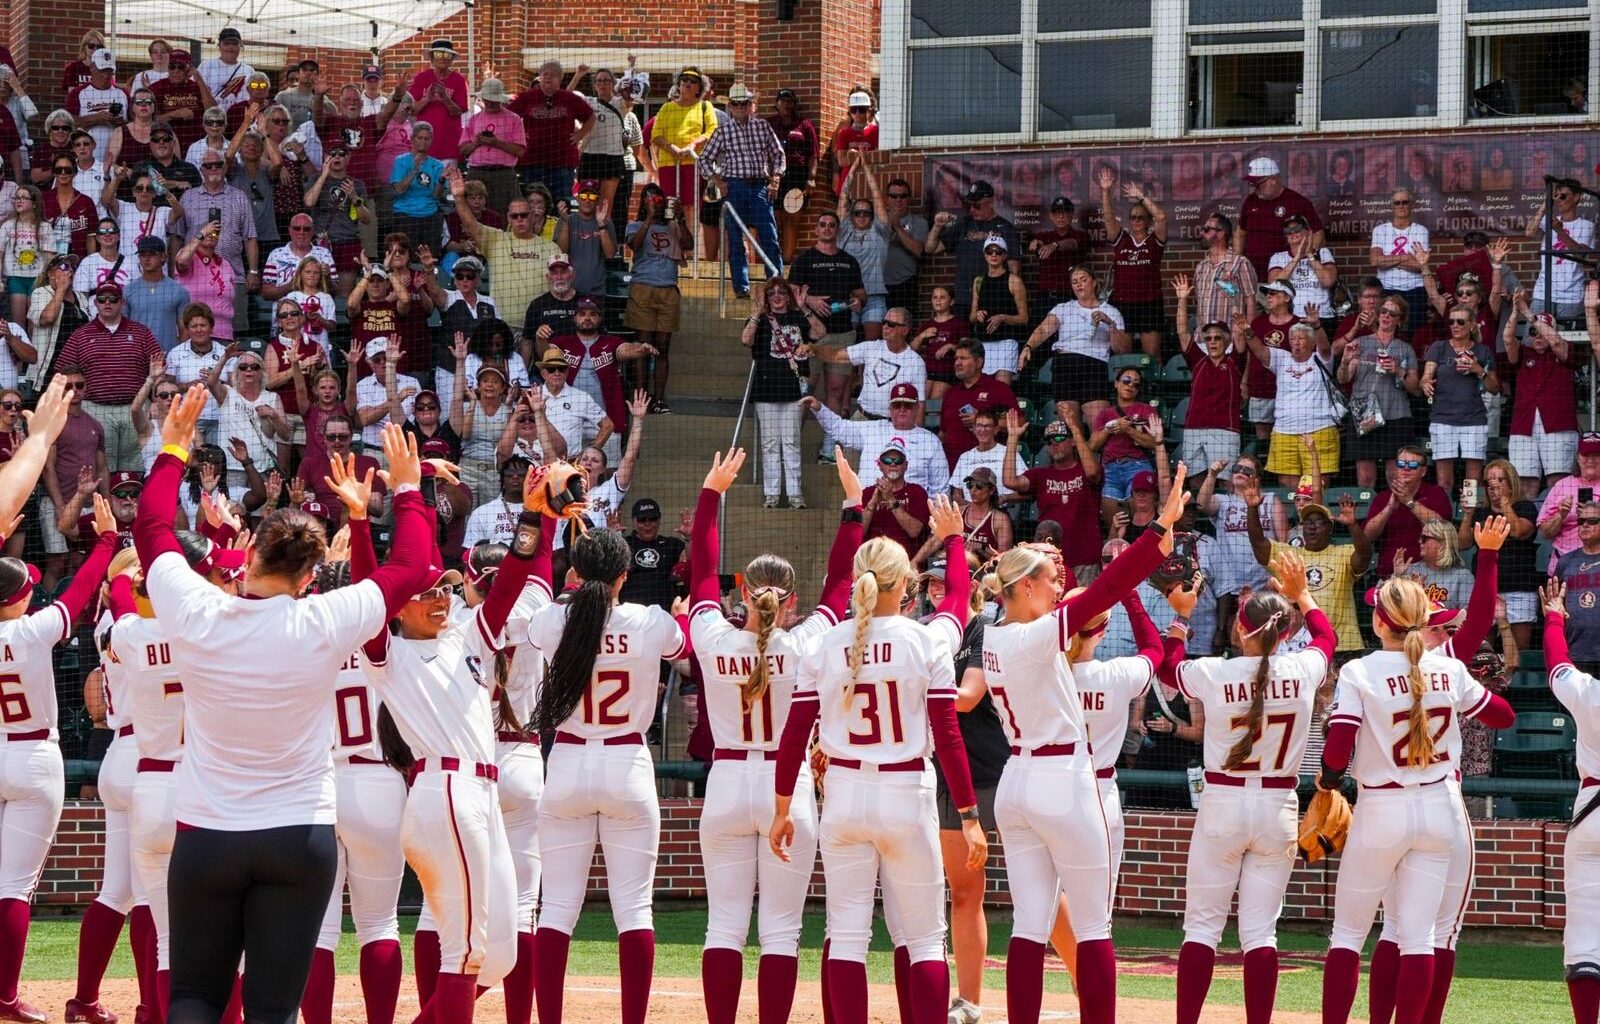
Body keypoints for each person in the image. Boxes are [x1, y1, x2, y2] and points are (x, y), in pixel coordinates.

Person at [130, 383, 432, 1024]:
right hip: (299, 832)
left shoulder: (199, 610)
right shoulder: (322, 618)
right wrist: (406, 489)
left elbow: (153, 525)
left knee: (192, 999)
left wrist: (174, 447)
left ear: (250, 556)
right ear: (307, 577)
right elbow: (412, 564)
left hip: (208, 831)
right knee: (273, 1009)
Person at [977, 478, 1186, 1024]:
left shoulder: (994, 634)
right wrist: (1159, 532)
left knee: (1027, 925)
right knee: (1094, 927)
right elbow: (1109, 588)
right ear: (1022, 587)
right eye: (1048, 579)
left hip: (1015, 782)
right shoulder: (1036, 634)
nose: (1057, 584)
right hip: (1063, 782)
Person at [768, 498, 982, 1024]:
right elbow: (949, 736)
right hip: (905, 794)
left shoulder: (824, 645)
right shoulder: (926, 638)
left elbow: (794, 736)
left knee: (846, 937)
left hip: (842, 797)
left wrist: (780, 808)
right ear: (905, 586)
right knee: (927, 940)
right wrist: (954, 539)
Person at [687, 448, 859, 1024]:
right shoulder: (808, 641)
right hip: (790, 793)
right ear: (789, 600)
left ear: (743, 591)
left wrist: (712, 493)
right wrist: (853, 507)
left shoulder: (711, 634)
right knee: (781, 931)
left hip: (727, 783)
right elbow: (840, 583)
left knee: (723, 925)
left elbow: (701, 575)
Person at [1317, 575, 1515, 1024]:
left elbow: (1338, 747)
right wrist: (1473, 691)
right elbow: (1504, 716)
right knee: (1420, 938)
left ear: (1379, 621)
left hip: (1382, 809)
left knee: (1348, 935)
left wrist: (1327, 782)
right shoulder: (1447, 668)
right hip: (1439, 809)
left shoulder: (1359, 671)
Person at [525, 517, 691, 1024]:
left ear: (575, 574)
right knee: (634, 911)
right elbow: (681, 648)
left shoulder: (556, 620)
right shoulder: (648, 619)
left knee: (555, 910)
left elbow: (542, 615)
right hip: (627, 764)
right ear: (625, 574)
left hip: (569, 761)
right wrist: (679, 612)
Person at [1161, 549, 1334, 1024]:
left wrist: (1180, 618)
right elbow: (1327, 637)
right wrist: (1303, 594)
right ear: (1283, 633)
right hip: (1278, 805)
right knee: (1261, 934)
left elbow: (1167, 667)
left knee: (1201, 930)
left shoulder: (1215, 672)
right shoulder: (1301, 670)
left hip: (1223, 803)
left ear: (1240, 629)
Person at [0, 491, 121, 1024]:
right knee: (14, 887)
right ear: (22, 595)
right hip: (32, 757)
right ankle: (4, 997)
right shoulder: (30, 629)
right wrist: (108, 542)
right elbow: (79, 593)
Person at [1538, 583, 1600, 1024]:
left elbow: (1557, 663)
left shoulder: (1589, 691)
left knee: (1583, 936)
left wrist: (1556, 616)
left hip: (1592, 809)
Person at [1245, 482, 1372, 655]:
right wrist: (1252, 508)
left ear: (1329, 528)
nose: (1312, 526)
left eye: (1319, 522)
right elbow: (1258, 543)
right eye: (1308, 522)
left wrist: (1352, 525)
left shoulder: (1344, 552)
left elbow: (1364, 555)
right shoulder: (1288, 555)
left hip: (1343, 645)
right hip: (1297, 649)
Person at [56, 281, 163, 472]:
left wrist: (155, 399)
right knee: (102, 465)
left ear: (122, 303)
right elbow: (62, 372)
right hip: (96, 409)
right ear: (95, 303)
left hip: (136, 408)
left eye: (113, 299)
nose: (107, 303)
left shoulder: (142, 333)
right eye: (102, 299)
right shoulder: (80, 335)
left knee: (137, 465)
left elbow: (160, 371)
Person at [446, 166, 562, 343]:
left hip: (539, 328)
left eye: (524, 215)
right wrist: (459, 198)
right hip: (502, 326)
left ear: (532, 216)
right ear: (508, 218)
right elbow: (470, 223)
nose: (519, 219)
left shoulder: (551, 248)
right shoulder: (496, 239)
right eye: (514, 216)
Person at [699, 82, 785, 299]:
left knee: (769, 236)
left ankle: (775, 283)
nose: (739, 107)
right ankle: (741, 287)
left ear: (750, 105)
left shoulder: (763, 126)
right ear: (730, 107)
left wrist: (775, 178)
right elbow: (704, 160)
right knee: (735, 240)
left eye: (743, 103)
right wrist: (718, 181)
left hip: (760, 186)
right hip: (734, 186)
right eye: (735, 104)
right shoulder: (723, 130)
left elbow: (778, 154)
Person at [741, 277, 820, 509]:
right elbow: (746, 339)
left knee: (792, 442)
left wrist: (804, 307)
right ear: (766, 298)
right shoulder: (762, 319)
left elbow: (820, 332)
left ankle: (795, 494)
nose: (776, 296)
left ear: (788, 296)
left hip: (794, 390)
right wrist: (757, 311)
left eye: (781, 292)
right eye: (771, 293)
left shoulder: (798, 317)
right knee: (769, 443)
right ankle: (772, 494)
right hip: (766, 390)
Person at [789, 210, 864, 454]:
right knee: (805, 389)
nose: (827, 228)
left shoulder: (849, 260)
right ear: (816, 229)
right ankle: (792, 443)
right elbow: (790, 292)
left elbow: (861, 294)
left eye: (832, 225)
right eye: (822, 224)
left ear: (837, 229)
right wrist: (809, 300)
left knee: (835, 390)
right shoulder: (804, 259)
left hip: (843, 333)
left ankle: (829, 447)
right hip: (810, 334)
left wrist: (856, 301)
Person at [1021, 265, 1128, 430]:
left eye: (1083, 280)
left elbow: (1122, 349)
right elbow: (1043, 329)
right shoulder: (1064, 308)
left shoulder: (1111, 312)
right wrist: (1028, 346)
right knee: (1070, 431)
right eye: (1075, 282)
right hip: (1065, 368)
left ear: (1094, 283)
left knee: (1099, 429)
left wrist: (1110, 325)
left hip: (1094, 368)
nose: (1079, 285)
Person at [1002, 412, 1101, 581]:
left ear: (1072, 442)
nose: (1054, 444)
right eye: (1049, 441)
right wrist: (1012, 438)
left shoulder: (1084, 470)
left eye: (1060, 439)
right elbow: (1010, 480)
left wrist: (1075, 429)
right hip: (1049, 561)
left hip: (1084, 560)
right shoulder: (1041, 475)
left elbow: (1093, 472)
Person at [1240, 320, 1337, 490]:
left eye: (1301, 338)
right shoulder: (1281, 358)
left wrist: (1316, 326)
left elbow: (1326, 347)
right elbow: (1260, 351)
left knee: (1317, 482)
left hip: (1319, 429)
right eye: (1292, 338)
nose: (1296, 342)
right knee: (1285, 483)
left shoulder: (1321, 359)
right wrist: (1248, 332)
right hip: (1284, 431)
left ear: (1312, 342)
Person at [1338, 294, 1421, 489]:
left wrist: (1398, 371)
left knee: (1396, 478)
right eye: (1383, 311)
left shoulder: (1405, 349)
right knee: (1365, 478)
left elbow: (1415, 388)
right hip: (1364, 415)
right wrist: (1345, 360)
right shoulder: (1361, 342)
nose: (1386, 316)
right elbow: (1343, 378)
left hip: (1395, 416)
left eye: (1392, 314)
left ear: (1399, 320)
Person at [1506, 288, 1582, 496]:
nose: (1537, 336)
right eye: (1533, 331)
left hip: (1557, 424)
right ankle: (1527, 526)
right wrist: (1515, 312)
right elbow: (1507, 340)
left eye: (1542, 331)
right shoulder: (1523, 353)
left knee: (1557, 482)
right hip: (1524, 425)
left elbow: (1556, 342)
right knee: (1524, 485)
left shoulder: (1567, 349)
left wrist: (1529, 313)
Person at [804, 383, 947, 494]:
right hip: (869, 510)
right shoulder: (873, 429)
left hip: (911, 516)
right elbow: (839, 428)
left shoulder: (930, 441)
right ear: (890, 409)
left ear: (917, 408)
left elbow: (940, 489)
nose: (902, 409)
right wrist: (819, 409)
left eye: (908, 405)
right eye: (897, 405)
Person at [174, 147, 258, 334]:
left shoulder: (239, 197)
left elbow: (250, 237)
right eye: (208, 166)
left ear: (225, 167)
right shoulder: (188, 197)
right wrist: (174, 273)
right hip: (194, 279)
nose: (213, 169)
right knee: (193, 331)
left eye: (218, 164)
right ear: (201, 170)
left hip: (233, 275)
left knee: (234, 331)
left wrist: (252, 271)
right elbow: (177, 236)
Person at [1421, 307, 1498, 493]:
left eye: (1460, 322)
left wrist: (1478, 370)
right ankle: (1446, 520)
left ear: (1472, 325)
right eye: (1451, 321)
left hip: (1473, 419)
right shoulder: (1438, 347)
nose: (1455, 325)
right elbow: (1426, 376)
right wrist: (1425, 383)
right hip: (1443, 419)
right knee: (1444, 481)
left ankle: (1470, 517)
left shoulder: (1482, 350)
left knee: (1473, 481)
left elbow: (1495, 388)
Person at [1171, 277, 1244, 470]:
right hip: (1194, 430)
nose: (1212, 341)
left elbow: (1238, 331)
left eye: (1217, 338)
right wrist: (1182, 299)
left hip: (1225, 430)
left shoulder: (1234, 361)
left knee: (1226, 481)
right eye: (1208, 338)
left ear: (1226, 341)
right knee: (1195, 481)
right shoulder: (1198, 360)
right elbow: (1182, 332)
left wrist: (1234, 297)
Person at [1098, 167, 1168, 360]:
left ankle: (1154, 389)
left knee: (1151, 356)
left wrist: (1140, 196)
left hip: (1149, 304)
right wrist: (1106, 191)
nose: (1136, 220)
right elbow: (1108, 218)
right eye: (1133, 217)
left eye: (1141, 217)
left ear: (1148, 221)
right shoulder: (1122, 240)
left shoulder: (1154, 241)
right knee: (1122, 356)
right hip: (1122, 304)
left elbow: (1161, 217)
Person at [924, 180, 1019, 317]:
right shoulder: (964, 224)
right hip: (963, 298)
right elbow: (930, 249)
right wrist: (937, 226)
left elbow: (1014, 270)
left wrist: (1007, 299)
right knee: (963, 338)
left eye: (977, 205)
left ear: (990, 202)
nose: (972, 209)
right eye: (970, 205)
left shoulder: (1006, 228)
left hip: (991, 299)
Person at [1090, 365, 1160, 523]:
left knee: (1139, 518)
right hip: (1110, 469)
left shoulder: (1147, 410)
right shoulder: (1105, 413)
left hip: (1138, 466)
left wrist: (1128, 429)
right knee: (1112, 519)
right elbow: (1093, 445)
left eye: (1135, 384)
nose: (1130, 386)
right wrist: (1111, 427)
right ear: (1116, 383)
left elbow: (1155, 443)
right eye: (1126, 381)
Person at [651, 67, 717, 233]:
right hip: (669, 163)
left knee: (690, 206)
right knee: (670, 206)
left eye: (693, 81)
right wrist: (670, 147)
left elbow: (712, 131)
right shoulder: (667, 108)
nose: (688, 83)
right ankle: (672, 247)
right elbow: (656, 135)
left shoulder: (704, 106)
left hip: (693, 162)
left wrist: (693, 145)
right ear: (678, 84)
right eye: (684, 79)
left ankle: (690, 249)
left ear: (699, 87)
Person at [1234, 157, 1324, 279]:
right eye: (1251, 184)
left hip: (1286, 277)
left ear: (1273, 180)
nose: (1253, 188)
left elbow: (1318, 234)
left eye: (1257, 184)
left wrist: (1304, 260)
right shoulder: (1250, 201)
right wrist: (1237, 261)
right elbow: (1240, 232)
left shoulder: (1297, 201)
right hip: (1252, 276)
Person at [939, 341, 1019, 469]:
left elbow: (1019, 423)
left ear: (979, 362)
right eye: (956, 359)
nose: (957, 363)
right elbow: (943, 432)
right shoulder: (951, 393)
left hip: (987, 469)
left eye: (963, 358)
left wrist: (982, 419)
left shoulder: (998, 389)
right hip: (952, 469)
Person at [303, 145, 370, 296]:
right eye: (332, 153)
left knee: (344, 293)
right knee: (317, 289)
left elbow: (366, 219)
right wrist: (323, 175)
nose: (337, 157)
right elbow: (309, 202)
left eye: (342, 153)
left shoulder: (357, 184)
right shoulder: (315, 178)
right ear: (325, 157)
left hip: (348, 241)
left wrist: (353, 197)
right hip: (321, 244)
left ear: (348, 158)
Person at [1524, 176, 1593, 321]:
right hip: (1543, 291)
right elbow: (1529, 233)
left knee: (1565, 340)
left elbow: (1581, 255)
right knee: (1534, 334)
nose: (1559, 200)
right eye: (1556, 196)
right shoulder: (1548, 220)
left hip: (1571, 295)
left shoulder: (1586, 225)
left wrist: (1559, 231)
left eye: (1563, 196)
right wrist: (1545, 204)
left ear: (1576, 197)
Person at [966, 232, 1027, 382]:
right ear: (984, 254)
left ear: (1004, 255)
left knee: (1002, 388)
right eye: (989, 251)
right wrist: (977, 314)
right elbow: (972, 316)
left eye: (998, 251)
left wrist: (1003, 317)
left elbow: (1024, 318)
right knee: (981, 390)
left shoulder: (1014, 281)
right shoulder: (978, 281)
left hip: (1005, 342)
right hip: (983, 342)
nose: (993, 255)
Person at [766, 90, 818, 263]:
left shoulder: (804, 125)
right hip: (774, 176)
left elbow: (813, 155)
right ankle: (771, 259)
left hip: (796, 174)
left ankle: (786, 261)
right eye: (782, 100)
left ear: (794, 104)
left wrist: (811, 178)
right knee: (774, 217)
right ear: (776, 103)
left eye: (790, 100)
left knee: (792, 218)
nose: (786, 104)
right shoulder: (769, 124)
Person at [1370, 189, 1430, 332]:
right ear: (1392, 206)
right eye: (1397, 203)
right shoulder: (1380, 230)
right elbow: (1375, 260)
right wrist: (1406, 256)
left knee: (1415, 332)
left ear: (1412, 205)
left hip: (1415, 290)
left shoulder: (1421, 231)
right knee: (1387, 330)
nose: (1401, 206)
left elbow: (1419, 265)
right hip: (1387, 289)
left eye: (1405, 202)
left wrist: (1387, 259)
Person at [405, 41, 468, 165]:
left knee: (445, 183)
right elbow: (411, 110)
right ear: (432, 58)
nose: (443, 58)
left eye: (447, 55)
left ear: (452, 60)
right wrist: (426, 99)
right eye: (439, 54)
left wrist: (445, 98)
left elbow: (458, 111)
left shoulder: (459, 80)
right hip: (423, 145)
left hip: (448, 146)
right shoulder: (422, 78)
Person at [124, 236, 189, 354]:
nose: (147, 258)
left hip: (168, 357)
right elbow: (122, 329)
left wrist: (181, 357)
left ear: (164, 257)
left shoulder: (179, 291)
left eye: (152, 254)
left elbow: (184, 330)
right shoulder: (128, 291)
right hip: (136, 357)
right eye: (143, 254)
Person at [553, 181, 617, 300]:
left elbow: (610, 254)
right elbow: (561, 252)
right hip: (569, 289)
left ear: (597, 199)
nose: (587, 200)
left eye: (592, 196)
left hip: (596, 291)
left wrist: (601, 225)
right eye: (583, 196)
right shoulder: (565, 220)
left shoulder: (606, 222)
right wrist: (566, 222)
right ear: (577, 199)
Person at [1269, 214, 1338, 320]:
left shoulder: (1323, 253)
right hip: (1291, 317)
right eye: (1288, 230)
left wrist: (1310, 255)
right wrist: (1297, 257)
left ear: (1309, 232)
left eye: (1297, 229)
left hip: (1322, 316)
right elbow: (1275, 285)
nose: (1292, 232)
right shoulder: (1278, 257)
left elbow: (1328, 282)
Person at [1029, 197, 1092, 309]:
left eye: (1064, 213)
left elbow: (1072, 243)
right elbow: (1038, 245)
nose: (1061, 216)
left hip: (1071, 297)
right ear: (1051, 216)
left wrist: (1054, 246)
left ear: (1072, 215)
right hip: (1046, 299)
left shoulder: (1082, 236)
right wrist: (1036, 244)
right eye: (1057, 213)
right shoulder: (1043, 236)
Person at [196, 28, 254, 114]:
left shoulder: (249, 70)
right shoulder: (206, 65)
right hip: (211, 119)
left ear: (240, 46)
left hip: (238, 118)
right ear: (219, 46)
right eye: (226, 43)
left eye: (234, 43)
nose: (230, 47)